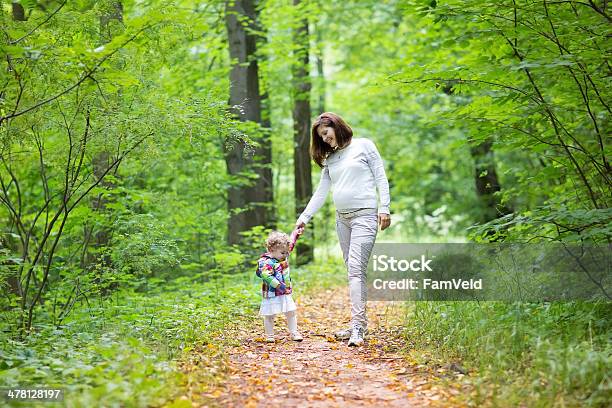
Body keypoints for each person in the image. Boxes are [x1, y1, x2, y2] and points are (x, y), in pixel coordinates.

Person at [295, 112, 391, 347]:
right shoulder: (330, 159)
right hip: (343, 220)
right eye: (322, 138)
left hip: (365, 217)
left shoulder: (364, 146)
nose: (326, 140)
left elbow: (380, 176)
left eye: (326, 134)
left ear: (336, 127)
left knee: (356, 272)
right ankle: (358, 323)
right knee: (353, 272)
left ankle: (358, 327)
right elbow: (321, 191)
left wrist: (385, 207)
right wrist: (304, 217)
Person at [255, 229, 304, 343]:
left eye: (287, 252)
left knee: (291, 312)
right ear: (272, 250)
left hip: (285, 291)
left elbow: (290, 244)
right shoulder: (265, 261)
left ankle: (294, 332)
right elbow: (266, 275)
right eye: (283, 253)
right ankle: (270, 335)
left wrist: (296, 234)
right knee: (270, 315)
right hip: (272, 292)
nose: (286, 255)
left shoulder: (282, 253)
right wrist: (279, 286)